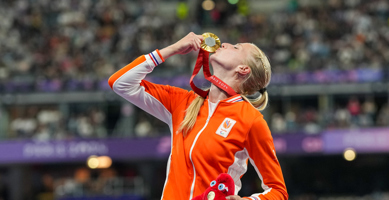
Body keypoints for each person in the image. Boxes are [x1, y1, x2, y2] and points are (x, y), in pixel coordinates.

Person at [108, 32, 288, 200]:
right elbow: (119, 83)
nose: (224, 44)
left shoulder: (251, 120)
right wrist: (172, 49)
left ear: (243, 69)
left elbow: (278, 191)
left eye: (235, 47)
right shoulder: (183, 102)